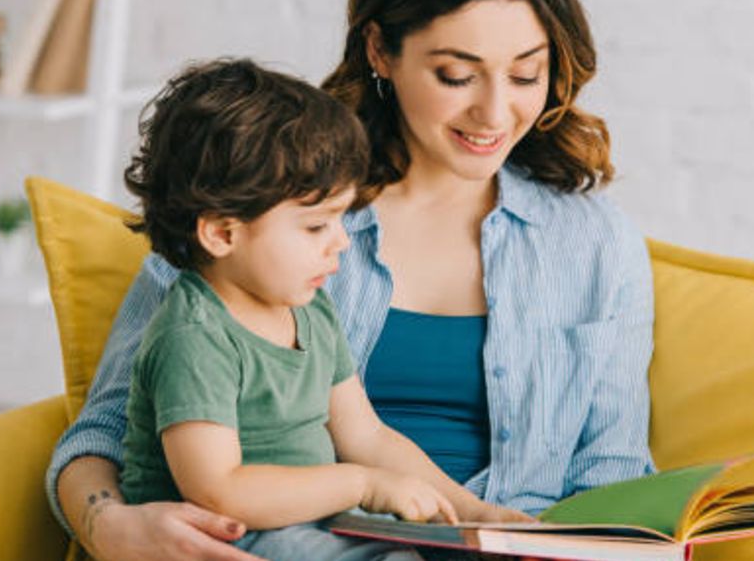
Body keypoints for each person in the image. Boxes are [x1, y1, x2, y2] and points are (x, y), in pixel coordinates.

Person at [46, 0, 655, 561]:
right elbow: (100, 436)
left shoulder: (595, 245)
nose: (494, 111)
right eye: (455, 74)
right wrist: (110, 526)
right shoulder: (257, 201)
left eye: (526, 74)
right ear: (381, 50)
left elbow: (613, 472)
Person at [116, 58, 526, 560]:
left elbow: (368, 436)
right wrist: (359, 485)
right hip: (218, 538)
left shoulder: (310, 311)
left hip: (302, 530)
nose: (341, 244)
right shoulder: (195, 337)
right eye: (315, 227)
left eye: (341, 220)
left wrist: (472, 510)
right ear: (223, 233)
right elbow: (220, 490)